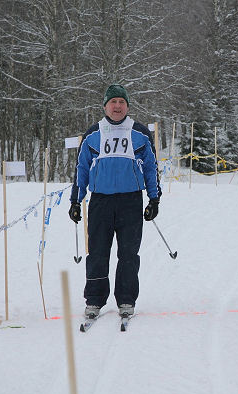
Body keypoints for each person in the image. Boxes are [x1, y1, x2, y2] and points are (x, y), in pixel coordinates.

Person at [69, 84, 161, 320]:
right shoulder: (93, 133)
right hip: (101, 201)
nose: (117, 106)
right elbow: (81, 169)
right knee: (98, 252)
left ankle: (126, 299)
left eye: (121, 102)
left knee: (129, 253)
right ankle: (94, 300)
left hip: (130, 201)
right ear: (105, 107)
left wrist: (154, 198)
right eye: (113, 102)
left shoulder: (139, 133)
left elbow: (150, 167)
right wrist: (76, 201)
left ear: (128, 106)